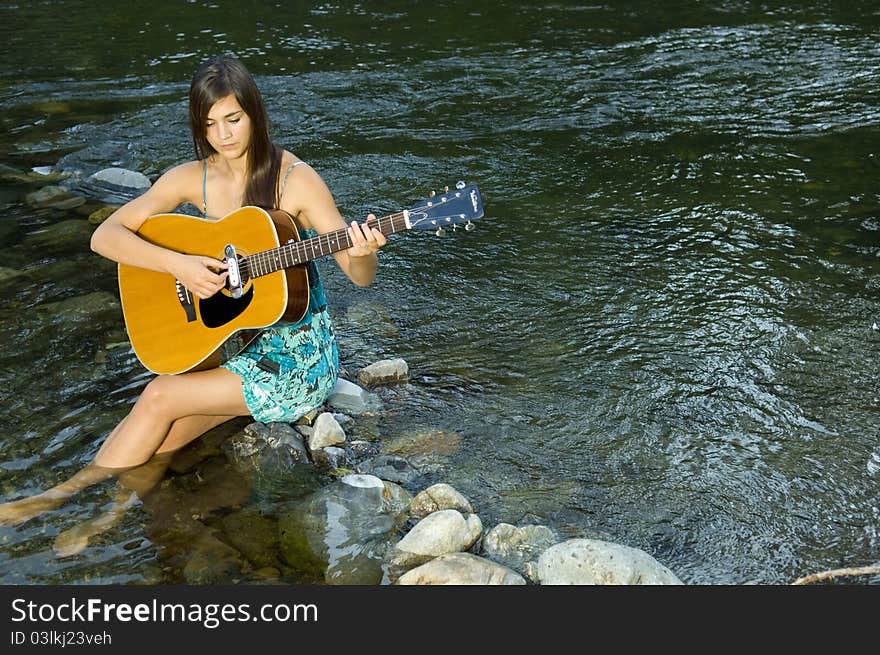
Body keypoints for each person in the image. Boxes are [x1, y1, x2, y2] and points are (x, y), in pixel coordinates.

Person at [0, 56, 387, 554]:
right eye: (209, 123)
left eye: (233, 119)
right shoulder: (193, 178)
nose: (223, 135)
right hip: (235, 343)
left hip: (298, 360)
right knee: (161, 433)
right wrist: (177, 266)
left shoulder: (296, 181)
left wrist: (364, 252)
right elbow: (105, 235)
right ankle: (112, 513)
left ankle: (56, 497)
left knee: (160, 397)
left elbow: (358, 275)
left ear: (255, 114)